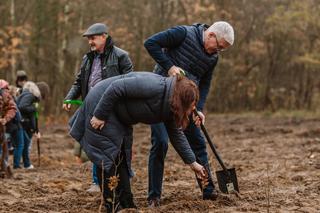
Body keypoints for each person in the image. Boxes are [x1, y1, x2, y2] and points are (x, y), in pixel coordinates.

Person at [69, 72, 207, 213]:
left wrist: (193, 163)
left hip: (120, 115)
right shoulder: (156, 87)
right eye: (190, 106)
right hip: (102, 104)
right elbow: (116, 87)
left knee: (122, 156)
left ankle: (127, 204)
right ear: (182, 100)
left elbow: (176, 134)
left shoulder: (171, 106)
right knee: (107, 156)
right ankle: (112, 205)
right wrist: (99, 115)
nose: (191, 111)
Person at [144, 21, 235, 205]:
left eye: (222, 50)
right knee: (160, 143)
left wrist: (199, 108)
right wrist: (169, 67)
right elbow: (150, 43)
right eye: (218, 46)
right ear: (211, 35)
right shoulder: (182, 34)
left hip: (186, 105)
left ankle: (208, 191)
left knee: (199, 143)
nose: (217, 51)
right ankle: (154, 196)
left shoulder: (213, 58)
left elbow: (205, 83)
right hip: (160, 97)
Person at [63, 23, 133, 193]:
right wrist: (69, 97)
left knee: (120, 144)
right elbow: (79, 82)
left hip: (114, 109)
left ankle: (125, 177)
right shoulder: (87, 58)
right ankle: (96, 181)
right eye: (88, 39)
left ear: (104, 36)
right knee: (95, 144)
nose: (90, 42)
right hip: (92, 107)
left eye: (93, 38)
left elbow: (130, 83)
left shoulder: (121, 56)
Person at [16, 81, 41, 169]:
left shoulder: (25, 95)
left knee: (23, 144)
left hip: (22, 123)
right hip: (22, 123)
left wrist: (36, 130)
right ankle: (22, 165)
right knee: (23, 144)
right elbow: (22, 107)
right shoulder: (29, 96)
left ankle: (24, 164)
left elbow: (32, 116)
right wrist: (34, 108)